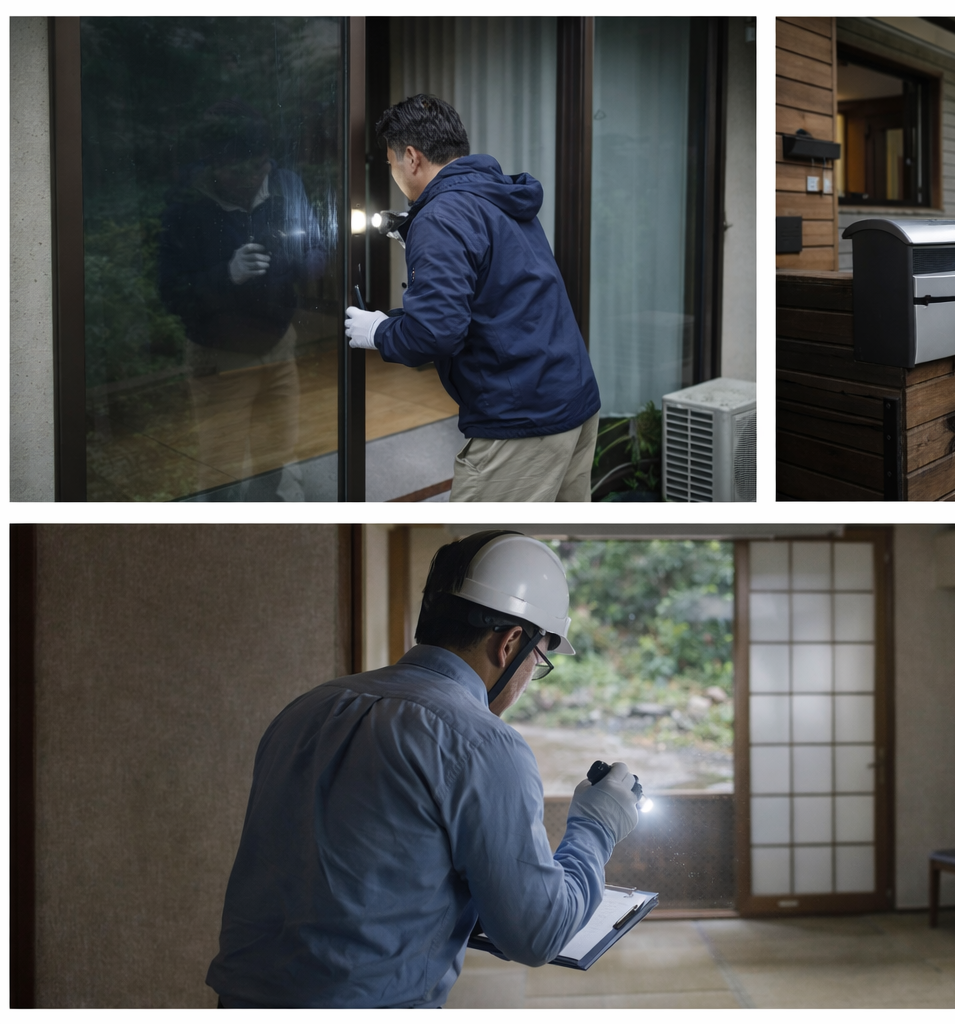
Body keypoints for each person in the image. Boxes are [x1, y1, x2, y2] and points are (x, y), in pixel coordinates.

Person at [206, 532, 639, 1007]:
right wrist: (595, 827)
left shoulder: (306, 709)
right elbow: (537, 935)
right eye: (538, 661)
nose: (529, 678)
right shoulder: (483, 744)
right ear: (511, 642)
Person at [344, 95, 601, 501]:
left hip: (522, 418)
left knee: (481, 553)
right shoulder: (495, 193)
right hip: (573, 400)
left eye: (391, 162)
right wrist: (413, 231)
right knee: (545, 548)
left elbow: (435, 334)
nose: (393, 171)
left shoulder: (441, 217)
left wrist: (378, 331)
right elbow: (494, 279)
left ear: (411, 157)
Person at [158, 100, 330, 501]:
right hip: (221, 355)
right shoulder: (187, 208)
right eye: (239, 169)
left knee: (278, 450)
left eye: (260, 165)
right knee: (222, 466)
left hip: (279, 342)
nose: (254, 177)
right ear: (214, 167)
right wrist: (227, 274)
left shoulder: (285, 185)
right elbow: (170, 292)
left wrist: (298, 260)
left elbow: (318, 247)